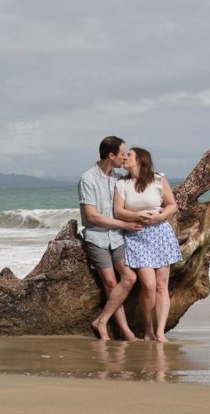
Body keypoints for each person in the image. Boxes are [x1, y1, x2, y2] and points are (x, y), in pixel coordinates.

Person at [113, 147, 182, 342]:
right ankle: (148, 328)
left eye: (129, 155)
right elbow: (118, 212)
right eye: (124, 155)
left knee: (162, 285)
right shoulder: (122, 184)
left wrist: (160, 216)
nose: (124, 157)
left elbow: (172, 205)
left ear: (141, 160)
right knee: (149, 285)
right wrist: (137, 216)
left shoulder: (158, 179)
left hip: (160, 234)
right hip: (137, 236)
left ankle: (159, 332)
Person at [79, 136, 143, 341]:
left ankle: (102, 320)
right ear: (111, 155)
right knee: (109, 282)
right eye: (122, 153)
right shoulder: (87, 179)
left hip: (117, 237)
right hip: (96, 237)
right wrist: (124, 224)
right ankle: (125, 331)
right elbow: (91, 216)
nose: (125, 157)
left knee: (130, 277)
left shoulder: (119, 179)